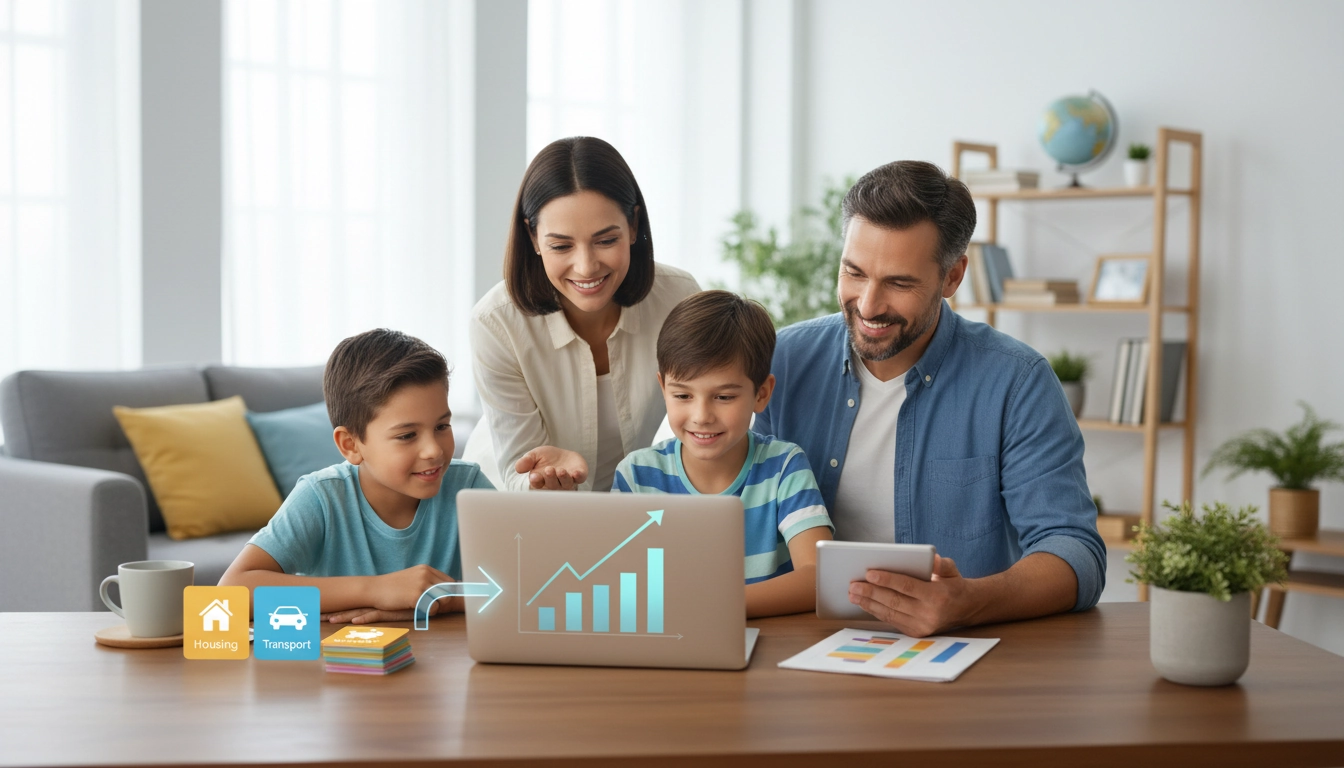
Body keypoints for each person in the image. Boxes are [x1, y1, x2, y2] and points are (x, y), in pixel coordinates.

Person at [755, 160, 1106, 637]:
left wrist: (970, 602)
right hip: (796, 644)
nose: (869, 304)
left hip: (954, 652)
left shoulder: (1017, 382)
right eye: (854, 273)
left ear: (952, 277)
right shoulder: (782, 361)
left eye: (899, 283)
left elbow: (1074, 551)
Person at [465, 136, 701, 493]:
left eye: (607, 240)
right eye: (561, 246)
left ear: (634, 225)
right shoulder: (496, 323)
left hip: (629, 504)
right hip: (516, 504)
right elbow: (518, 470)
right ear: (532, 237)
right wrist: (543, 480)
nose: (586, 267)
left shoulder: (678, 298)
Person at [219, 328, 492, 624]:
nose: (433, 450)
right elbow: (231, 592)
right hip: (340, 664)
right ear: (350, 445)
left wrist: (443, 598)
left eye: (442, 427)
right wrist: (376, 589)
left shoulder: (469, 487)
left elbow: (533, 587)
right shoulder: (322, 497)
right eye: (407, 435)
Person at [612, 290, 834, 618]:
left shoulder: (784, 467)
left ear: (762, 394)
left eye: (724, 397)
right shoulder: (637, 475)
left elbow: (819, 577)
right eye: (683, 395)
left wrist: (714, 607)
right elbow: (617, 585)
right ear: (663, 389)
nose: (702, 415)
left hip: (767, 648)